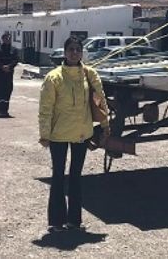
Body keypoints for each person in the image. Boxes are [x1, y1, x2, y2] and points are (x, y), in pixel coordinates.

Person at [38, 36, 110, 231]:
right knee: (58, 176)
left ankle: (74, 221)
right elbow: (46, 108)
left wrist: (105, 125)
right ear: (65, 52)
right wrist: (44, 134)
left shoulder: (90, 74)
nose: (75, 53)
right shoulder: (54, 77)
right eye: (71, 49)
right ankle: (56, 221)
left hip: (81, 134)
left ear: (82, 52)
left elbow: (99, 101)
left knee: (76, 177)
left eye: (78, 49)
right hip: (58, 135)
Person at [0, 32, 19, 118]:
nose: (7, 40)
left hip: (8, 75)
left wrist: (9, 67)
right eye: (6, 38)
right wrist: (2, 67)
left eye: (9, 38)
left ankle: (5, 111)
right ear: (2, 39)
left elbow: (16, 60)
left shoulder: (14, 50)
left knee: (7, 92)